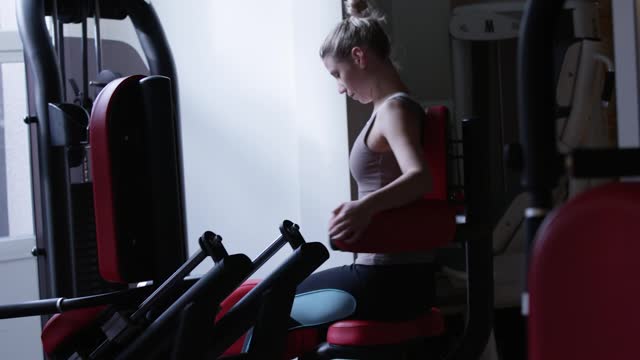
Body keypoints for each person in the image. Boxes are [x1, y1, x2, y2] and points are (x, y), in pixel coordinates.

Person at [289, 0, 436, 329]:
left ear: (359, 56)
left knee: (268, 304)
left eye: (337, 74)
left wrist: (364, 208)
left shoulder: (395, 110)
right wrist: (355, 15)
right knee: (265, 299)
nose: (340, 87)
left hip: (389, 280)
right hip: (390, 276)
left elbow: (420, 178)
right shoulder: (387, 107)